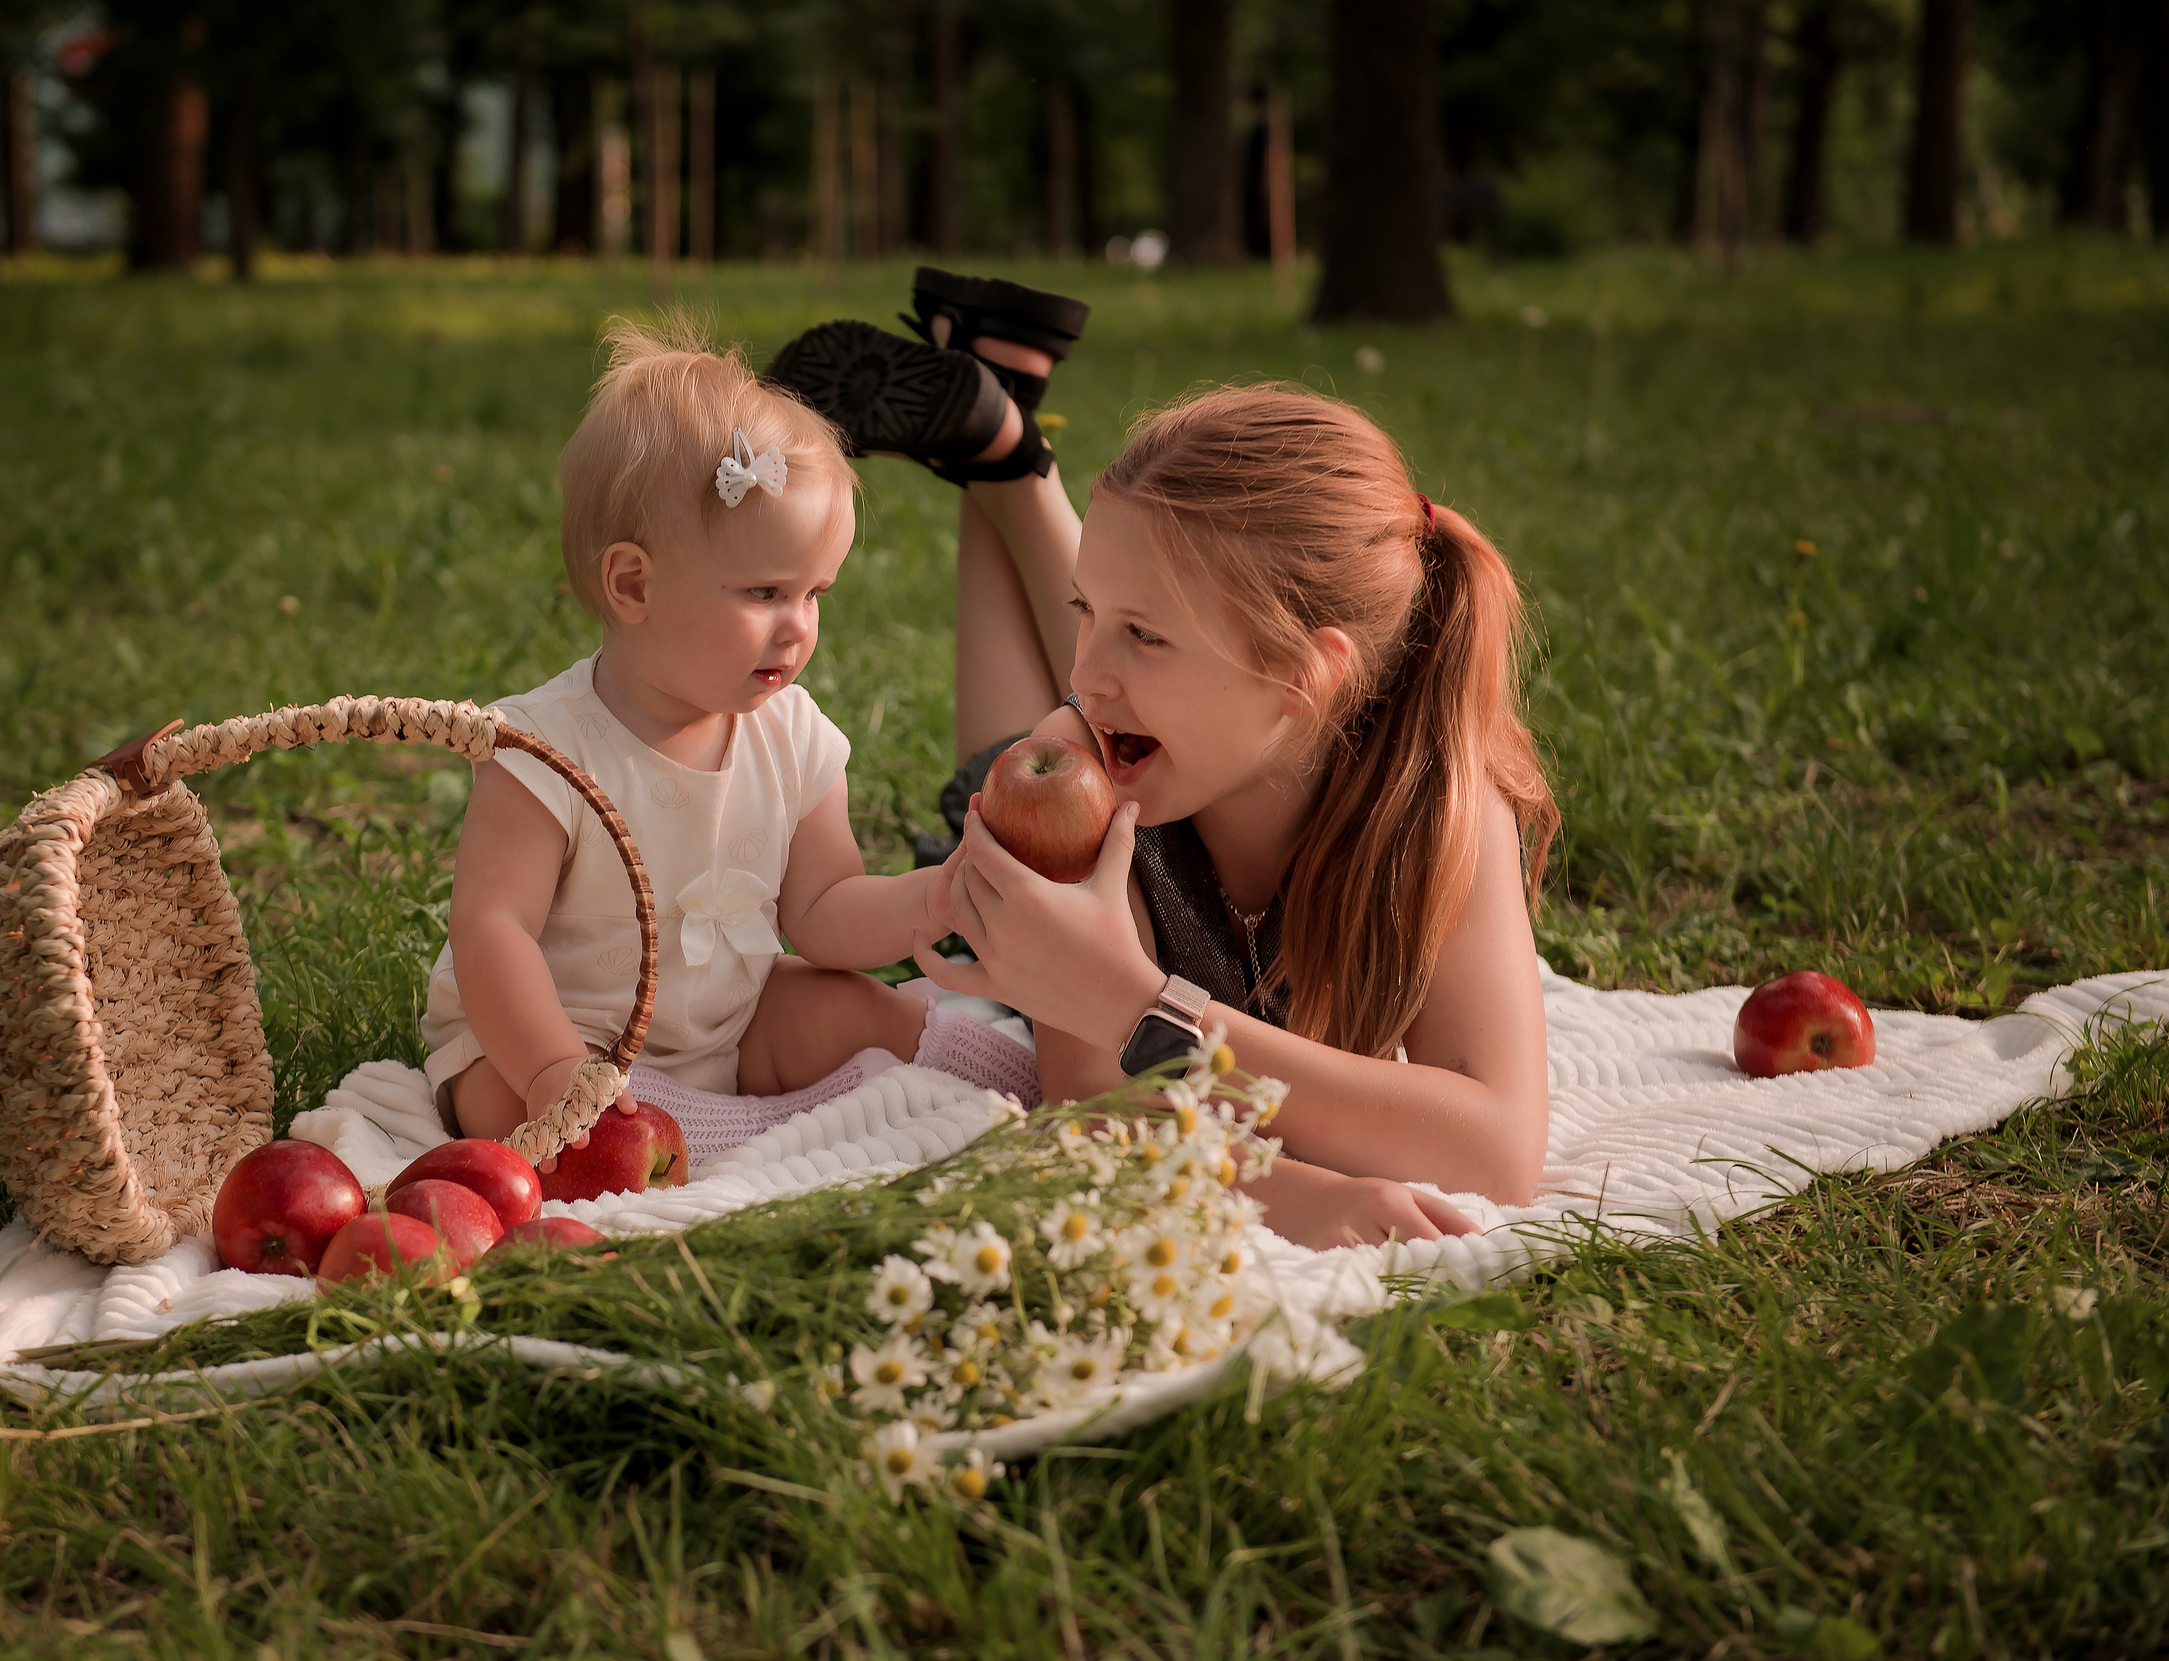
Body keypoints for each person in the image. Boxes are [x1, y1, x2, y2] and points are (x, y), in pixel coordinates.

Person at [768, 280, 1559, 1251]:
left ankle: (1000, 431)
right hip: (1071, 800)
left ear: (1301, 675)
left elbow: (1499, 1147)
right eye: (1085, 612)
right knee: (1021, 749)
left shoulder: (1436, 797)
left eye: (1142, 633)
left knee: (1048, 721)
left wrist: (1137, 1003)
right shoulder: (1085, 759)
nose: (1085, 669)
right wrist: (1299, 1195)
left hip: (1154, 768)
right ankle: (1002, 441)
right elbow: (1091, 1107)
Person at [426, 322, 1020, 1154]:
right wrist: (556, 1068)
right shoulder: (546, 750)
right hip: (552, 1036)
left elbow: (820, 912)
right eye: (766, 592)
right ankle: (717, 1129)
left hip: (729, 1022)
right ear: (634, 584)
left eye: (816, 593)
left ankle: (1005, 1069)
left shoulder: (794, 738)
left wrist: (934, 898)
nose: (798, 628)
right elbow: (493, 933)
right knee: (498, 1104)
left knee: (852, 1007)